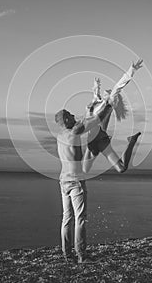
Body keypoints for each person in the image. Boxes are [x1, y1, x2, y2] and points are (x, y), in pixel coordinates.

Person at [55, 102, 112, 264]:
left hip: (63, 180)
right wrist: (108, 106)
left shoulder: (61, 135)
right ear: (66, 119)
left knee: (66, 218)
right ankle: (81, 255)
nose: (74, 117)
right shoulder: (74, 131)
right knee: (80, 219)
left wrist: (89, 109)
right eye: (71, 115)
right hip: (75, 181)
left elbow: (83, 121)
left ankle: (67, 255)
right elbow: (95, 120)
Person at [82, 59, 143, 174]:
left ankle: (131, 141)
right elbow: (95, 95)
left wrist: (132, 70)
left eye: (108, 92)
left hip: (100, 138)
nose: (107, 91)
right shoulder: (96, 101)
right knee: (85, 170)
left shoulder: (109, 103)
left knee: (121, 168)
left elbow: (119, 86)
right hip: (92, 138)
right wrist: (96, 86)